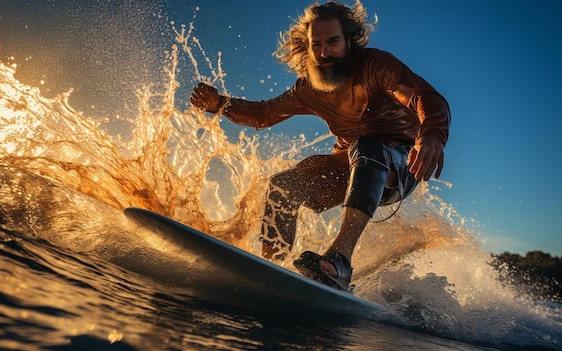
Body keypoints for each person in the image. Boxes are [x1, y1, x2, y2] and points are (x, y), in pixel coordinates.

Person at [190, 0, 450, 291]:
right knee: (282, 187)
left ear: (350, 42)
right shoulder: (309, 88)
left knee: (366, 145)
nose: (325, 53)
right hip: (352, 167)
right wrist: (219, 104)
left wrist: (432, 135)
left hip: (400, 163)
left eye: (333, 42)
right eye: (317, 44)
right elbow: (265, 113)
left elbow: (425, 98)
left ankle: (340, 259)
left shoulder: (377, 66)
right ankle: (269, 268)